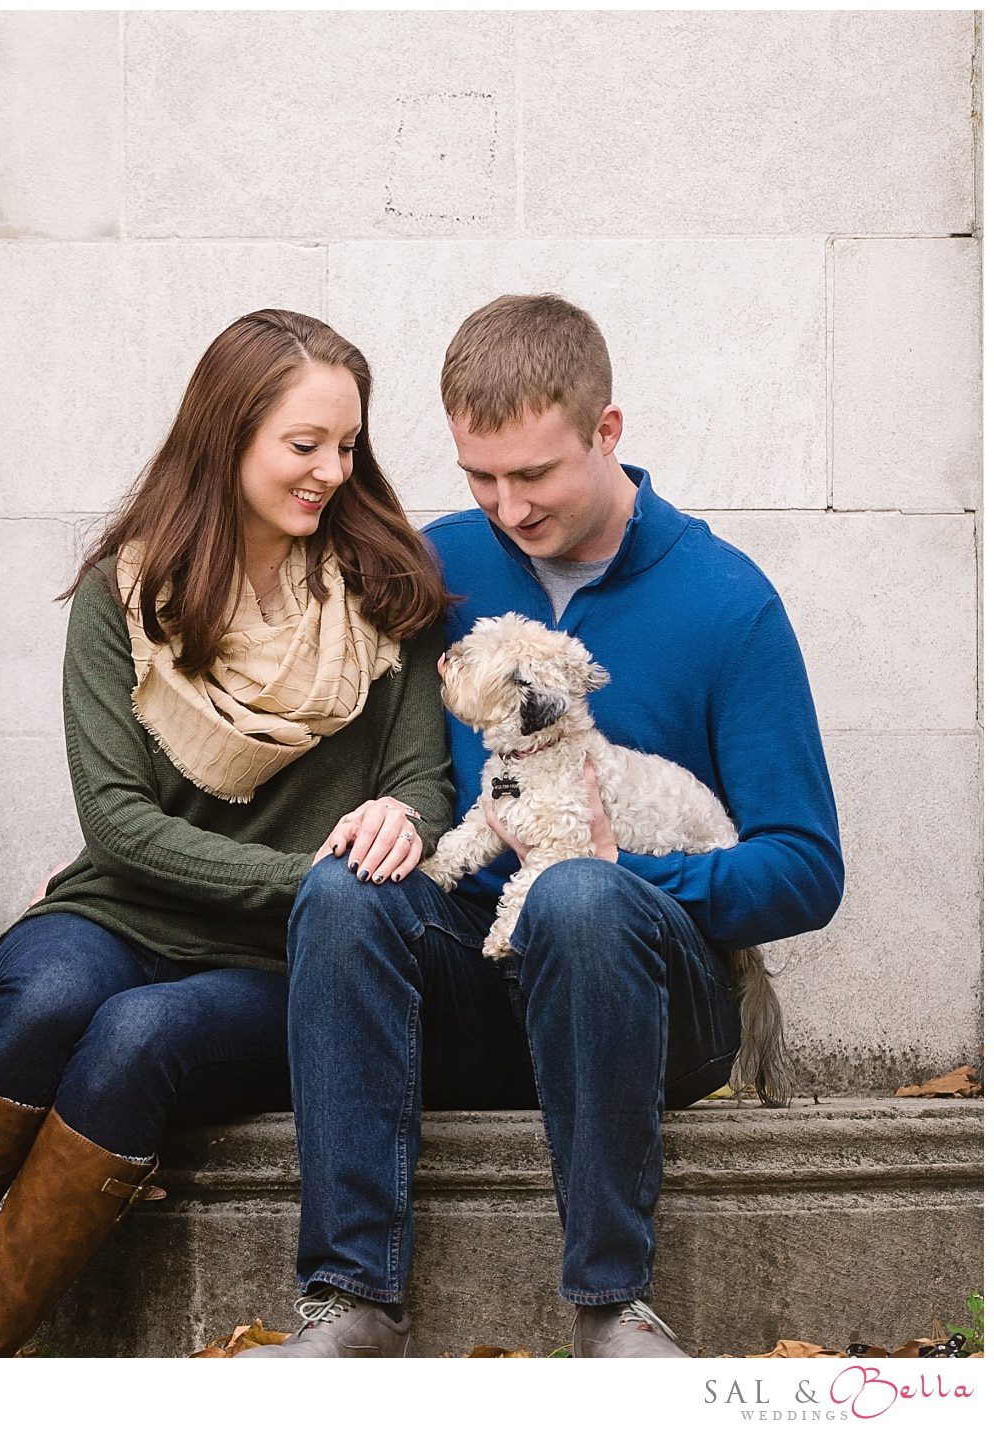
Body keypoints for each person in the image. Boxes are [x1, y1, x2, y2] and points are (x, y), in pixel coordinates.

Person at [0, 309, 455, 1358]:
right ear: (226, 433)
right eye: (303, 444)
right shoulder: (125, 594)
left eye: (347, 444)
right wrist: (313, 879)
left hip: (278, 962)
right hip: (122, 910)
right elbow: (121, 828)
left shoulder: (384, 590)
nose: (331, 469)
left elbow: (420, 781)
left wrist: (397, 821)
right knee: (50, 994)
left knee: (134, 1036)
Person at [242, 294, 844, 1360]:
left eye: (532, 475)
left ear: (605, 432)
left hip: (650, 1007)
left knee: (577, 895)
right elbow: (303, 697)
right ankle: (351, 1301)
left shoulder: (723, 602)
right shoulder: (438, 568)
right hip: (478, 991)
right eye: (479, 477)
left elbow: (804, 869)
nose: (505, 507)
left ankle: (611, 1305)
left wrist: (630, 875)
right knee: (342, 889)